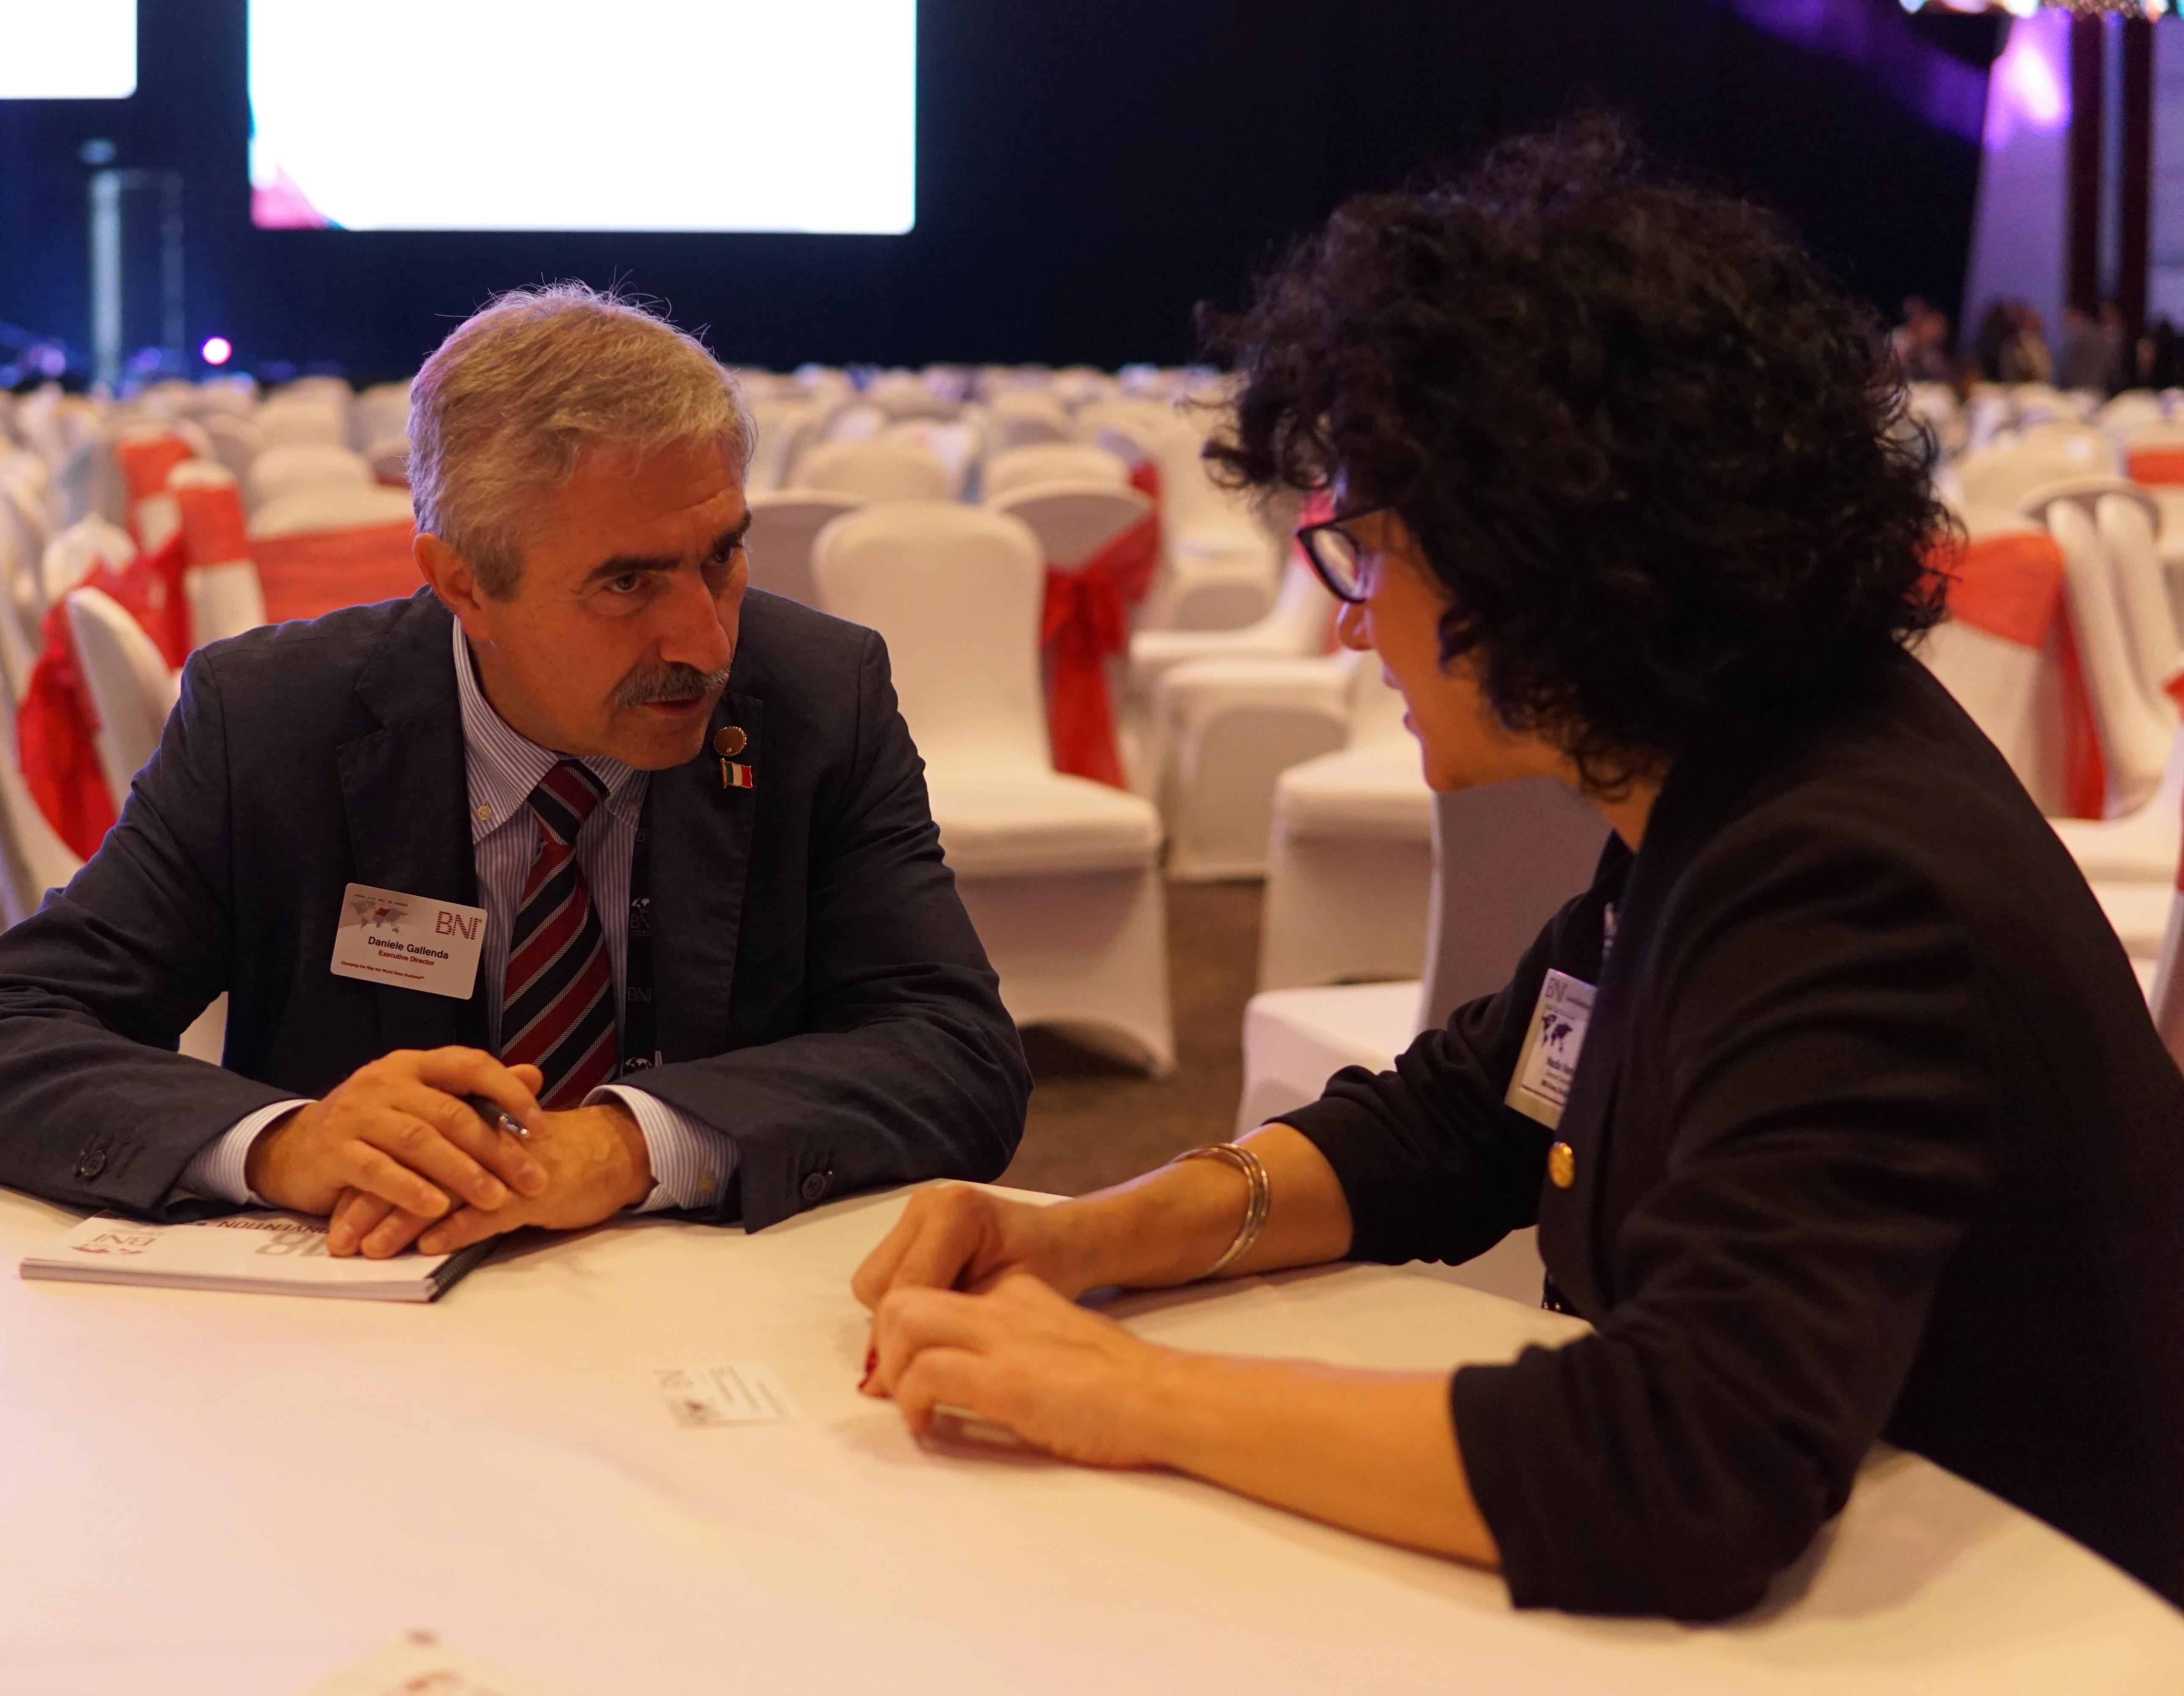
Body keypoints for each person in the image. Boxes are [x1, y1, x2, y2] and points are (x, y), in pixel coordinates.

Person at [852, 121, 2184, 1621]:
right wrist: (1081, 1237)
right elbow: (1467, 1115)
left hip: (2048, 1629)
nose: (1352, 621)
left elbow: (1685, 1470)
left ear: (1533, 551)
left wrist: (1127, 1394)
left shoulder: (1840, 878)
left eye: (1364, 550)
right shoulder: (1739, 765)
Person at [0, 286, 1030, 1255]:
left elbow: (957, 1052)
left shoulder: (817, 698)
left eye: (723, 556)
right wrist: (285, 1144)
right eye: (628, 584)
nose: (706, 641)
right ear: (463, 585)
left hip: (710, 1317)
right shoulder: (277, 722)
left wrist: (631, 1144)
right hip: (363, 1328)